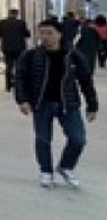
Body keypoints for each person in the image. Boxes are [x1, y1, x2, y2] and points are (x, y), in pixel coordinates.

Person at [15, 18, 98, 188]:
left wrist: (92, 105)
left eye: (49, 33)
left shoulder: (73, 56)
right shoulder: (31, 56)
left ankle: (66, 166)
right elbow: (20, 78)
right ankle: (46, 171)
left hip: (68, 104)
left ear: (59, 34)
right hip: (42, 104)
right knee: (43, 139)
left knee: (78, 139)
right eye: (42, 33)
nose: (45, 37)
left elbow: (86, 81)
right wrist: (22, 100)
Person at [0, 8, 30, 92]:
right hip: (19, 48)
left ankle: (8, 86)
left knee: (8, 65)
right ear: (17, 14)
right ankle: (18, 83)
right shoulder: (21, 23)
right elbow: (27, 34)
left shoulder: (1, 22)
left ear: (9, 13)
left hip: (6, 47)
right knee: (18, 65)